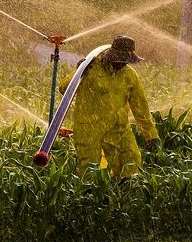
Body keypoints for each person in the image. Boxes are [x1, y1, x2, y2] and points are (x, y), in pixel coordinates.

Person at [59, 36, 159, 178]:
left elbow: (140, 107)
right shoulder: (92, 69)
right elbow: (64, 89)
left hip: (118, 128)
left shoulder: (130, 75)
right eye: (120, 60)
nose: (123, 64)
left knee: (131, 163)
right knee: (90, 170)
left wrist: (151, 135)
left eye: (126, 61)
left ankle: (124, 194)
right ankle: (90, 197)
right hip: (89, 129)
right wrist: (80, 71)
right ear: (112, 56)